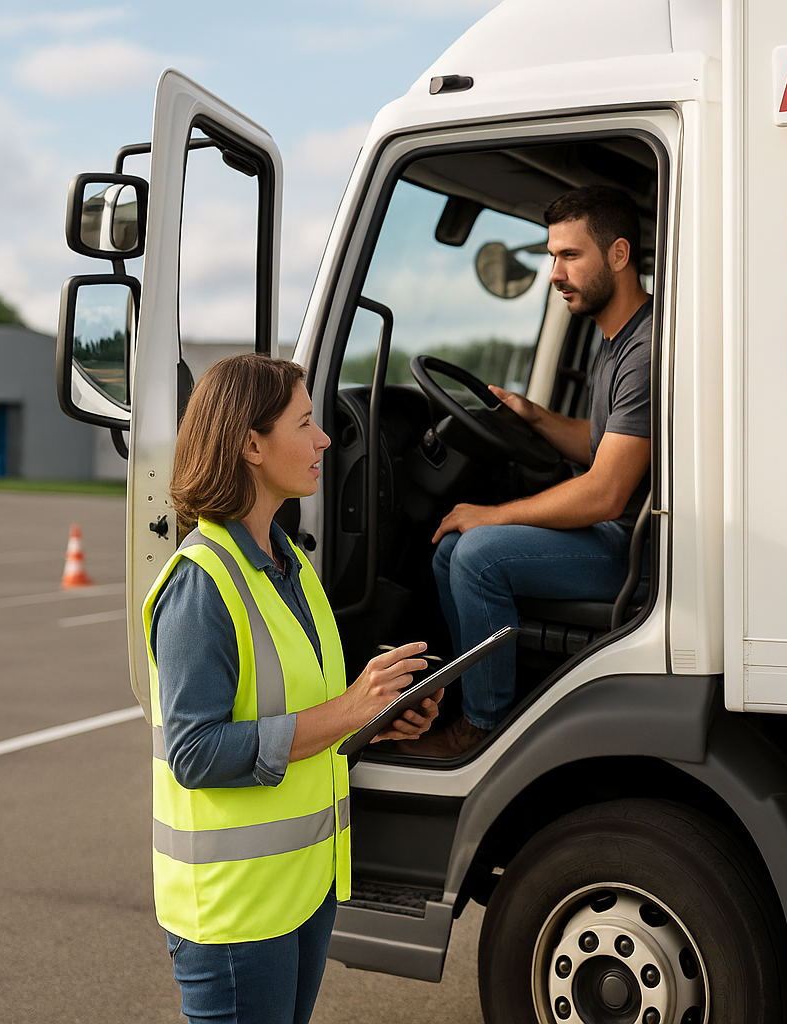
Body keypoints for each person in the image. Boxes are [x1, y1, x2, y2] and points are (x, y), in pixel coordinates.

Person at [145, 353, 441, 1024]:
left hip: (298, 893)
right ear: (251, 444)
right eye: (305, 423)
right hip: (236, 911)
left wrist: (377, 717)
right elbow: (196, 753)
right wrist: (344, 709)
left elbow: (303, 711)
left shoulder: (290, 564)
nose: (325, 439)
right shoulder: (202, 584)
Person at [396, 185, 652, 759]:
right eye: (551, 257)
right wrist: (535, 418)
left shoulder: (646, 347)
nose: (555, 273)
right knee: (449, 551)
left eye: (570, 257)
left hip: (640, 550)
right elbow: (603, 447)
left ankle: (485, 729)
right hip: (621, 532)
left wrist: (491, 515)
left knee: (478, 553)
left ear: (617, 254)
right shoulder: (615, 339)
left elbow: (606, 493)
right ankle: (469, 703)